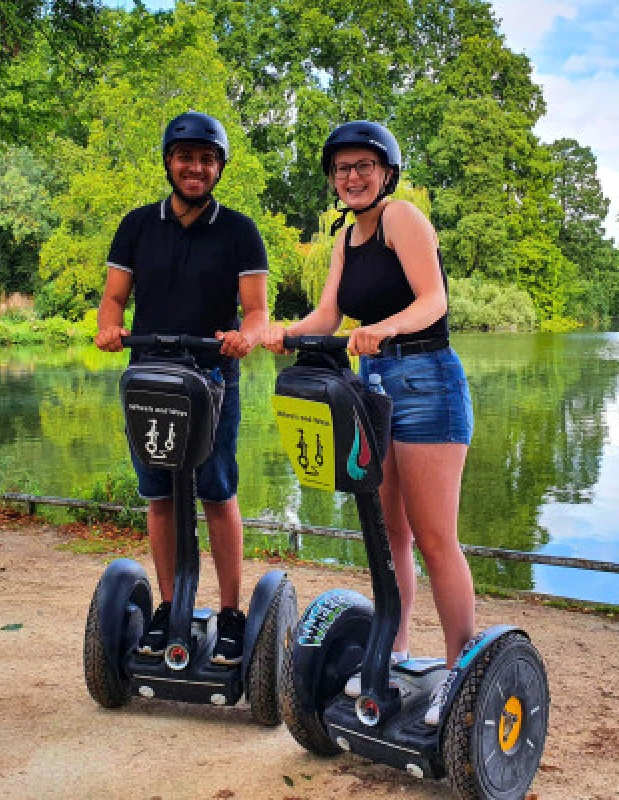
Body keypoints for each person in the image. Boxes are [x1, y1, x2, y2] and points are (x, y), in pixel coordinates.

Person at [262, 121, 475, 726]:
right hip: (372, 386)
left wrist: (386, 327)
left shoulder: (401, 218)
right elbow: (329, 313)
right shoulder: (343, 240)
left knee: (435, 538)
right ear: (332, 178)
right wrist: (287, 335)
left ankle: (462, 669)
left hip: (428, 381)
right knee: (391, 536)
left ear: (386, 172)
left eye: (364, 167)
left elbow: (434, 300)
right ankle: (397, 649)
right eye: (342, 169)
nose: (352, 178)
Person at [94, 111, 269, 667]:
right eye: (186, 157)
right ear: (169, 162)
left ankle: (233, 614)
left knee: (216, 491)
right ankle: (170, 608)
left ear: (219, 168)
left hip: (211, 377)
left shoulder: (239, 230)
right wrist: (107, 326)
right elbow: (115, 297)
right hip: (149, 377)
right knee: (161, 496)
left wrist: (245, 338)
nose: (196, 167)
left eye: (207, 159)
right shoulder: (138, 225)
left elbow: (258, 311)